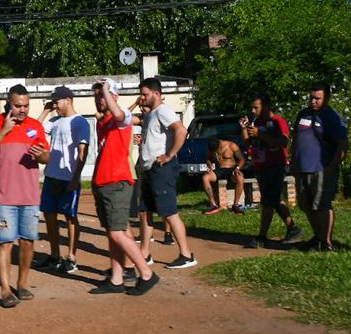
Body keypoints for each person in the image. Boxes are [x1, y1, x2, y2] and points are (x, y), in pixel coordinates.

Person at [0, 84, 50, 308]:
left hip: (29, 196)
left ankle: (23, 284)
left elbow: (47, 157)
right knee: (5, 242)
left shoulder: (35, 126)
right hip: (4, 197)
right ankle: (5, 289)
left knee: (28, 241)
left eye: (26, 106)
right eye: (18, 106)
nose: (22, 110)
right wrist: (3, 131)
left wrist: (42, 155)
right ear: (8, 103)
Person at [88, 79, 159, 295]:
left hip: (117, 183)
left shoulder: (122, 118)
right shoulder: (104, 122)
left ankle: (147, 274)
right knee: (112, 233)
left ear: (114, 96)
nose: (100, 99)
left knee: (118, 233)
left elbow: (120, 115)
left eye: (104, 95)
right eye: (98, 95)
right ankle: (116, 280)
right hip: (103, 183)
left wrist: (108, 92)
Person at [135, 77, 197, 269]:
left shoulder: (163, 111)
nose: (142, 98)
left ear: (157, 94)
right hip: (149, 171)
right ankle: (144, 254)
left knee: (169, 212)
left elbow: (181, 130)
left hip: (161, 170)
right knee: (145, 212)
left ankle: (186, 255)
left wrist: (170, 155)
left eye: (145, 94)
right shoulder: (151, 114)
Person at [36, 86, 90, 274]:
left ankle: (72, 257)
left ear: (68, 100)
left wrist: (76, 178)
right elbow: (34, 130)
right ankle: (54, 256)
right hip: (52, 176)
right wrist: (46, 110)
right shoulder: (55, 121)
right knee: (49, 216)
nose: (55, 105)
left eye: (57, 101)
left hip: (69, 179)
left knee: (70, 217)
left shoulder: (80, 122)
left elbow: (83, 152)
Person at [291, 82, 348, 252]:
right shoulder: (303, 114)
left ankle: (326, 242)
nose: (313, 101)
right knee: (306, 205)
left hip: (321, 169)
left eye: (317, 98)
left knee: (322, 205)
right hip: (302, 168)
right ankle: (317, 237)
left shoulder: (331, 117)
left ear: (327, 98)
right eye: (311, 98)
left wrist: (331, 166)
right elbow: (296, 140)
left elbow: (343, 145)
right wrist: (293, 163)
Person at [241, 92, 303, 248]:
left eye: (256, 107)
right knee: (273, 200)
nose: (253, 111)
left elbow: (283, 142)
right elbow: (248, 142)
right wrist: (245, 129)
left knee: (268, 201)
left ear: (266, 106)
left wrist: (261, 135)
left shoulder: (278, 121)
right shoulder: (256, 122)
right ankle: (293, 228)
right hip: (260, 166)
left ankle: (262, 237)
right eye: (252, 108)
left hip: (275, 165)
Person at [202, 137, 246, 214]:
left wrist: (238, 168)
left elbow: (242, 159)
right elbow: (208, 159)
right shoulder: (213, 147)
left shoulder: (232, 145)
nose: (215, 152)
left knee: (240, 178)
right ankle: (213, 204)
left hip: (231, 169)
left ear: (219, 144)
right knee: (205, 178)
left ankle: (235, 205)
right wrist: (210, 167)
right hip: (219, 170)